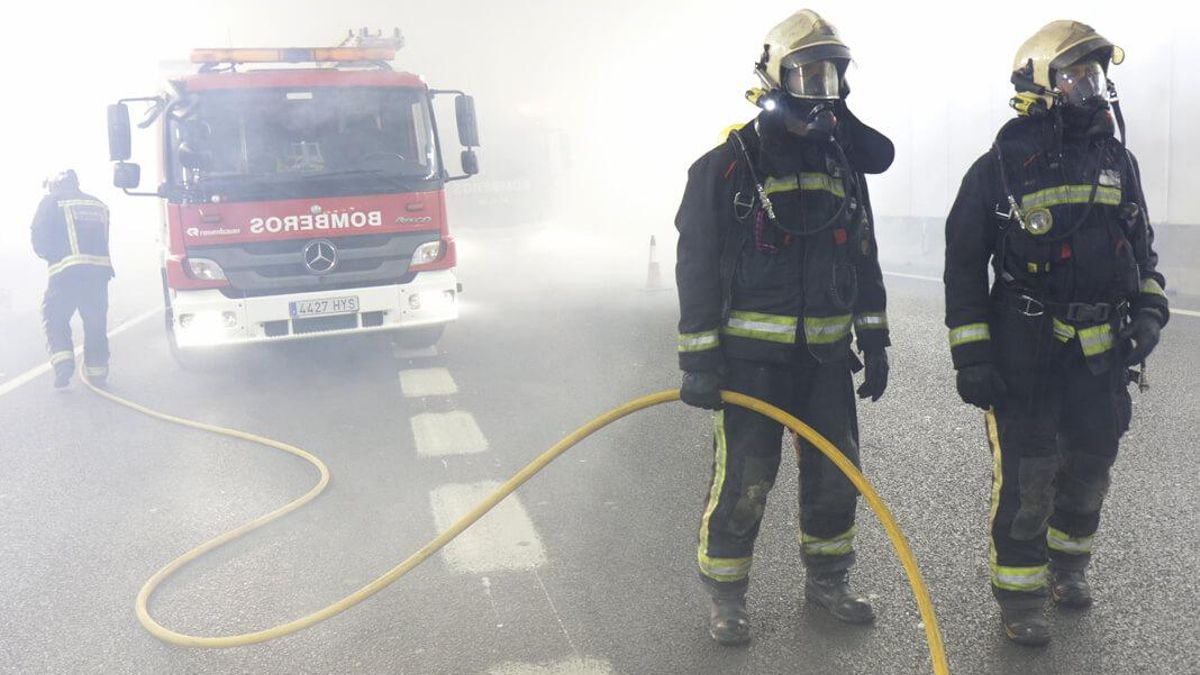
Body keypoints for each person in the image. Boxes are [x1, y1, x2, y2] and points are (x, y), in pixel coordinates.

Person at [943, 21, 1168, 646]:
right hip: (1026, 354)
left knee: (1091, 465)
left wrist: (1149, 313)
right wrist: (971, 355)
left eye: (1096, 75)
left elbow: (1143, 253)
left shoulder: (1117, 161)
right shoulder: (998, 168)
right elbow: (964, 266)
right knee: (1030, 476)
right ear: (1039, 86)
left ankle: (1068, 568)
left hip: (1099, 355)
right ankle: (1019, 597)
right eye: (1076, 76)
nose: (1091, 88)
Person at [674, 9, 895, 645]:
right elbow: (696, 269)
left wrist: (874, 336)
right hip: (750, 366)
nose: (822, 87)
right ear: (776, 78)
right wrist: (699, 360)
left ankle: (829, 582)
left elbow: (863, 253)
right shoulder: (726, 167)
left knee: (836, 477)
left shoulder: (841, 163)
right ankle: (727, 597)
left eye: (832, 74)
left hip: (825, 361)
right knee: (744, 483)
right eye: (809, 74)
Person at [31, 170, 114, 388]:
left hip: (66, 274)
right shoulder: (98, 204)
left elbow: (39, 237)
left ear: (56, 184)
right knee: (95, 323)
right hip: (98, 274)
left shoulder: (51, 202)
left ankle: (63, 364)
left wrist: (51, 255)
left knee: (55, 318)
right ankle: (97, 373)